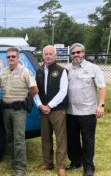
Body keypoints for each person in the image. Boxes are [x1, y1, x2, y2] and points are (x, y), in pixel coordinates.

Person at [66, 43, 106, 176]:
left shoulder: (93, 68)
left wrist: (101, 105)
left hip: (88, 112)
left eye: (79, 52)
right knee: (72, 139)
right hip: (70, 112)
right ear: (71, 55)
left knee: (88, 140)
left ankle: (89, 168)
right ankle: (76, 161)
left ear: (83, 53)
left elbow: (102, 87)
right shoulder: (68, 69)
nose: (76, 55)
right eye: (74, 53)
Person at [0, 47, 38, 176]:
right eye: (8, 57)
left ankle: (20, 168)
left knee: (19, 138)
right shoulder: (3, 73)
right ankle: (14, 162)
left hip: (19, 110)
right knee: (10, 137)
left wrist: (25, 98)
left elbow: (34, 89)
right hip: (6, 110)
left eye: (13, 56)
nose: (11, 59)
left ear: (18, 58)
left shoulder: (25, 72)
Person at [33, 45, 68, 176]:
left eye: (50, 54)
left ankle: (61, 166)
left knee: (61, 138)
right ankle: (47, 162)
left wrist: (50, 105)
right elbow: (34, 91)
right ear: (42, 56)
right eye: (46, 54)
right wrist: (40, 105)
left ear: (55, 56)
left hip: (58, 109)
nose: (48, 56)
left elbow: (63, 91)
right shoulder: (39, 71)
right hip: (43, 109)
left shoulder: (62, 71)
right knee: (46, 137)